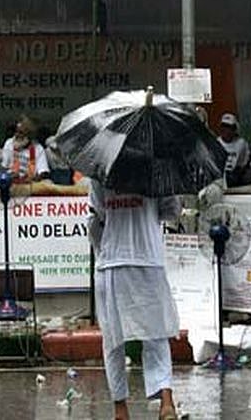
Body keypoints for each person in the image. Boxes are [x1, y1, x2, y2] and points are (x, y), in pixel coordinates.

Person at [88, 179, 179, 420]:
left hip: (112, 262)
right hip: (147, 258)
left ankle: (120, 408)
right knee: (157, 334)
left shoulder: (100, 170)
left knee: (113, 340)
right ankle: (166, 401)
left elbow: (98, 213)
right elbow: (171, 211)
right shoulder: (158, 169)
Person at [2, 116, 50, 183]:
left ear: (30, 135)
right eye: (16, 131)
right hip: (11, 182)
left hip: (30, 184)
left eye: (20, 133)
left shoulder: (38, 148)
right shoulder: (9, 143)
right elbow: (3, 167)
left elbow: (43, 172)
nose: (16, 135)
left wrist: (32, 179)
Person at [217, 113, 250, 188]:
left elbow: (244, 164)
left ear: (234, 129)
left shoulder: (241, 144)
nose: (226, 130)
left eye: (229, 127)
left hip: (236, 177)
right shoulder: (216, 143)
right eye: (224, 126)